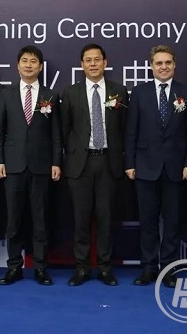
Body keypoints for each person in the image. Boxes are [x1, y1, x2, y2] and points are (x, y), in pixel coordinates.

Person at [125, 45, 187, 288]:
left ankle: (168, 269)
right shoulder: (139, 92)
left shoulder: (186, 92)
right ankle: (148, 268)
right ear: (151, 66)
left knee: (172, 223)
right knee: (147, 222)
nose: (164, 67)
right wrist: (129, 163)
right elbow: (131, 130)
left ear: (174, 65)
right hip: (145, 166)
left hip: (177, 168)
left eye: (168, 62)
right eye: (159, 63)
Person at [0, 45, 62, 286]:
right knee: (13, 220)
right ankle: (14, 267)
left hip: (41, 166)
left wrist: (56, 162)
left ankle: (41, 268)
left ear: (40, 67)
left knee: (40, 219)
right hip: (13, 166)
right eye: (25, 60)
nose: (29, 65)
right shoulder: (6, 94)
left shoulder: (50, 95)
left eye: (33, 61)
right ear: (17, 65)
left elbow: (56, 134)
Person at [61, 43, 128, 287]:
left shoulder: (119, 91)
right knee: (81, 219)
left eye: (97, 59)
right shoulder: (71, 92)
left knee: (106, 218)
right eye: (88, 60)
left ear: (105, 62)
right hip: (80, 164)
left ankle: (105, 268)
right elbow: (64, 130)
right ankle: (81, 268)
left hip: (109, 162)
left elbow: (125, 128)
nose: (93, 64)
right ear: (81, 65)